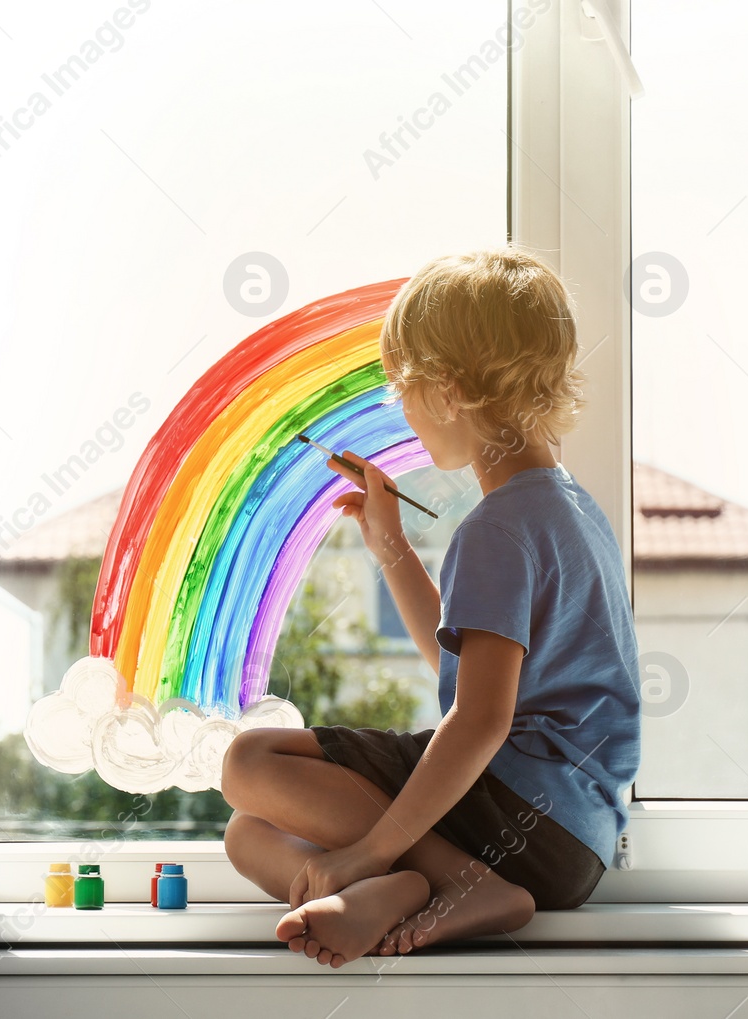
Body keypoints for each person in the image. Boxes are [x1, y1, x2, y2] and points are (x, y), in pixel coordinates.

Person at [219, 246, 641, 968]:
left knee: (248, 760)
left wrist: (368, 849)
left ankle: (453, 883)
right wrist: (393, 549)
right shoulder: (570, 511)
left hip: (515, 808)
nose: (401, 412)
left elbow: (479, 720)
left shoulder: (498, 526)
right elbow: (465, 673)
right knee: (246, 833)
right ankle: (396, 891)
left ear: (447, 391)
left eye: (402, 391)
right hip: (575, 844)